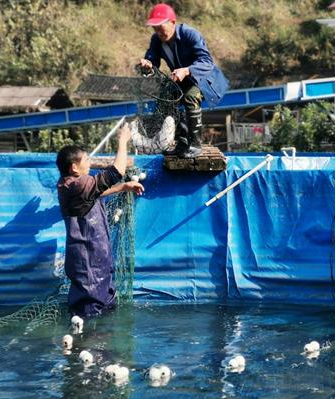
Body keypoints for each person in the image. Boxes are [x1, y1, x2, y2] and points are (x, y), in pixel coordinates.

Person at [56, 124, 144, 317]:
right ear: (74, 167)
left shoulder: (71, 184)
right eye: (86, 160)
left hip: (95, 258)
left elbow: (93, 193)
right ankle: (83, 342)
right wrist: (122, 140)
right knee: (90, 311)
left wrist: (122, 188)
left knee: (105, 306)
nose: (89, 163)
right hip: (88, 260)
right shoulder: (77, 183)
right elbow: (115, 172)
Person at [139, 3, 229, 158]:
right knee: (166, 98)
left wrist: (187, 70)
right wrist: (148, 66)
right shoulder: (156, 39)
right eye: (155, 28)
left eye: (161, 27)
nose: (159, 32)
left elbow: (207, 62)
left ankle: (195, 143)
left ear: (173, 22)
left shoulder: (189, 34)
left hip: (202, 78)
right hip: (179, 79)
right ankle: (181, 142)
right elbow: (152, 60)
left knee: (190, 96)